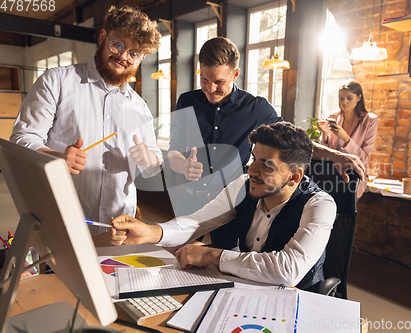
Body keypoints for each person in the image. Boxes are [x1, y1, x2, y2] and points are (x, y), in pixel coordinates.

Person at [109, 122, 335, 288]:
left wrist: (213, 256)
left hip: (300, 297)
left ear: (295, 177)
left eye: (266, 165)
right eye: (253, 158)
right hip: (246, 287)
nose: (252, 170)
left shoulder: (320, 205)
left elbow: (288, 270)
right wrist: (151, 231)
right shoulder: (243, 185)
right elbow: (197, 222)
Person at [10, 5, 163, 232]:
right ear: (103, 36)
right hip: (61, 222)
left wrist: (149, 159)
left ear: (141, 59)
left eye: (134, 53)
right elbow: (22, 138)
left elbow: (154, 163)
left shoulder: (140, 107)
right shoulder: (57, 82)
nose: (123, 56)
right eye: (117, 44)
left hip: (117, 228)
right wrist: (56, 157)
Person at [167, 36, 282, 248]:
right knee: (177, 258)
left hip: (231, 205)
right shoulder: (186, 101)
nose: (210, 89)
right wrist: (183, 165)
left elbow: (291, 137)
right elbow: (173, 152)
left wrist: (337, 155)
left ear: (235, 74)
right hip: (190, 201)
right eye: (204, 79)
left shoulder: (255, 108)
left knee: (224, 264)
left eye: (219, 82)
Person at [317, 80, 378, 198]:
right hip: (330, 175)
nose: (344, 102)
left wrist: (346, 138)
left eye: (349, 98)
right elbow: (326, 152)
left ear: (359, 97)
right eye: (341, 98)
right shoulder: (333, 117)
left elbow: (364, 157)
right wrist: (324, 134)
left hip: (353, 177)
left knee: (346, 215)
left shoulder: (370, 120)